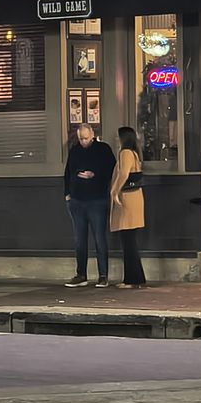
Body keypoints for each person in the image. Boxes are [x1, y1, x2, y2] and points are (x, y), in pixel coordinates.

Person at [63, 123, 116, 288]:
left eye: (86, 138)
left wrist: (95, 174)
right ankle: (81, 274)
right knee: (80, 239)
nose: (83, 141)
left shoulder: (103, 149)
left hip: (97, 199)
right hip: (77, 199)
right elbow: (68, 172)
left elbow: (111, 170)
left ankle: (103, 275)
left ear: (92, 135)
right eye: (81, 139)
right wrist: (67, 193)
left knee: (99, 238)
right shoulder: (75, 150)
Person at [109, 126, 146, 289]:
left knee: (128, 241)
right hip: (135, 197)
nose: (116, 139)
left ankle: (131, 280)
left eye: (118, 137)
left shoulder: (125, 153)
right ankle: (136, 278)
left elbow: (124, 173)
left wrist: (114, 191)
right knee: (131, 240)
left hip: (126, 199)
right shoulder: (135, 153)